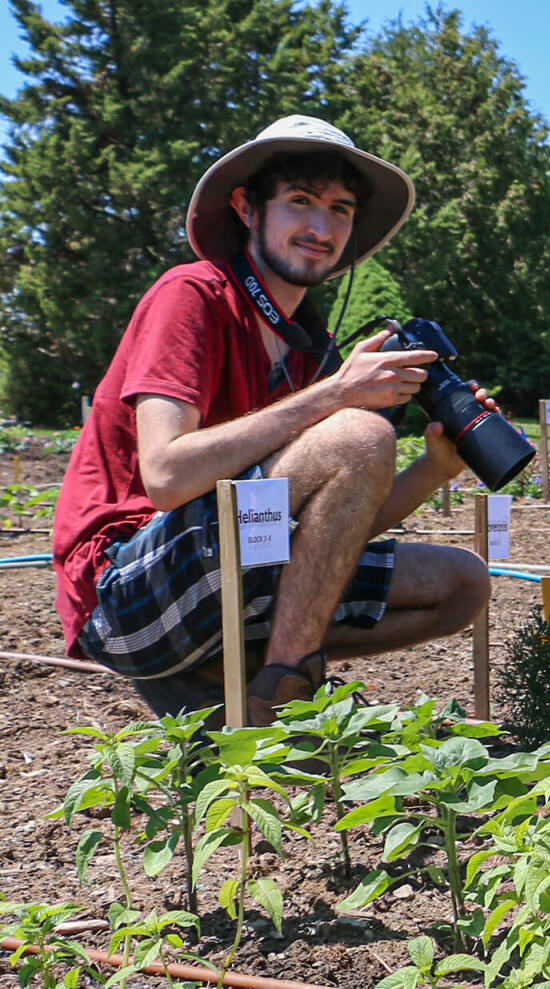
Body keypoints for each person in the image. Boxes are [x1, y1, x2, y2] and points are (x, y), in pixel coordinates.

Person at [52, 115, 493, 725]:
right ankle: (283, 693)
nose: (321, 226)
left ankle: (239, 668)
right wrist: (334, 397)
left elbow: (335, 531)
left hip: (239, 568)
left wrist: (434, 468)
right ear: (246, 207)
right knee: (361, 432)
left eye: (340, 209)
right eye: (300, 202)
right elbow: (166, 475)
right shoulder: (192, 296)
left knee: (463, 583)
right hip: (124, 593)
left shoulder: (312, 346)